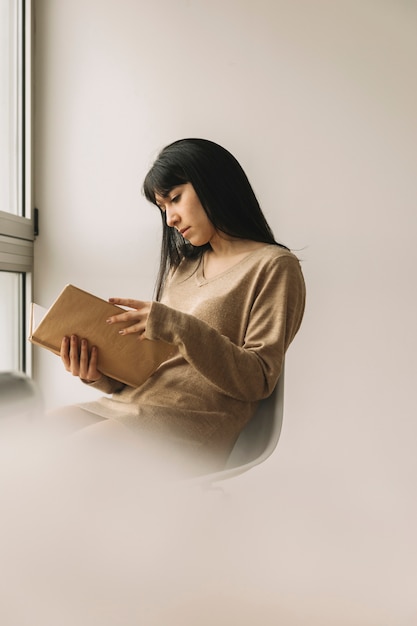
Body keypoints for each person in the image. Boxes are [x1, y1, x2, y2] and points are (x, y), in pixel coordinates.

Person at [56, 138, 306, 475]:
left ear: (213, 185)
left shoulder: (274, 266)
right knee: (25, 439)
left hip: (189, 423)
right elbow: (157, 368)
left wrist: (176, 325)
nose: (170, 218)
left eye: (175, 199)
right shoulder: (183, 268)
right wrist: (98, 376)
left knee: (65, 461)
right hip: (131, 406)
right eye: (162, 207)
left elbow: (258, 380)